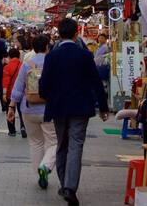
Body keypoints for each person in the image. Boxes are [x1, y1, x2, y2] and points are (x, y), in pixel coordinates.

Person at [40, 18, 110, 206]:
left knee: (62, 144)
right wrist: (103, 107)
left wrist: (50, 97)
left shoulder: (51, 57)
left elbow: (43, 86)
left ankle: (64, 185)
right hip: (80, 107)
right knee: (76, 145)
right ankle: (70, 188)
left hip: (59, 107)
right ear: (75, 33)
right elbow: (96, 82)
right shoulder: (85, 55)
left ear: (59, 34)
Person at [9, 34, 57, 190]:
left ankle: (39, 175)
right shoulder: (53, 63)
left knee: (35, 142)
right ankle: (46, 166)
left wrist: (11, 106)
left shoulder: (27, 64)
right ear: (47, 47)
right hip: (49, 109)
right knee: (54, 142)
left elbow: (18, 87)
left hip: (28, 108)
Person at [1, 48, 25, 137]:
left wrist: (4, 93)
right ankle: (23, 127)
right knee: (22, 111)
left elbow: (5, 81)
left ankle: (12, 130)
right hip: (22, 92)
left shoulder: (7, 67)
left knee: (10, 110)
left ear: (9, 56)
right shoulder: (23, 65)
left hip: (10, 93)